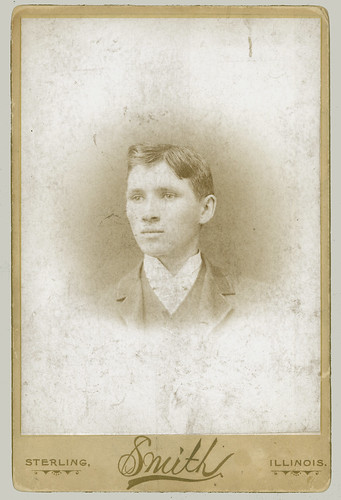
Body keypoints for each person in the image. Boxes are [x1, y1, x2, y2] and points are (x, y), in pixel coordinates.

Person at [113, 143, 235, 333]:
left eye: (167, 196)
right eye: (137, 197)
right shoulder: (91, 306)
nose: (148, 213)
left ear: (205, 209)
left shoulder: (261, 301)